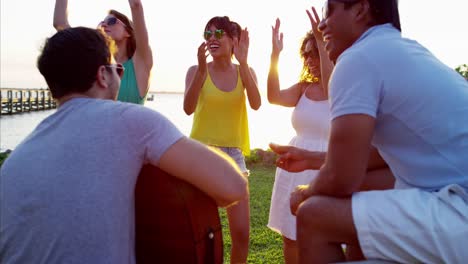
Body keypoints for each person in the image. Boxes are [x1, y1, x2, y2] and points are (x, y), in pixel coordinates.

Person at [0, 27, 248, 263]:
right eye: (118, 69)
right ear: (103, 75)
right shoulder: (131, 120)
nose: (121, 75)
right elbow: (233, 186)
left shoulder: (14, 161)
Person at [273, 0, 468, 263]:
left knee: (314, 214)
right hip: (452, 194)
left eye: (329, 11)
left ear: (360, 9)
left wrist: (305, 193)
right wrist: (311, 158)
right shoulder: (403, 50)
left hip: (459, 208)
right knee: (366, 193)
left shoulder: (357, 58)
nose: (321, 24)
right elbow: (379, 158)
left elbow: (342, 178)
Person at [183, 16, 261, 263]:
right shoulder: (196, 71)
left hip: (233, 155)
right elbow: (188, 108)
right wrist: (201, 71)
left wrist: (245, 62)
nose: (212, 39)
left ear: (234, 41)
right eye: (208, 34)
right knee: (202, 234)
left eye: (219, 33)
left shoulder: (244, 72)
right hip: (201, 153)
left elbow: (257, 104)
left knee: (241, 234)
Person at [266, 8, 333, 264]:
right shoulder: (303, 88)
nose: (310, 60)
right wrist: (275, 55)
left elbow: (330, 85)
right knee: (290, 238)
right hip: (293, 169)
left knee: (320, 235)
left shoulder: (337, 84)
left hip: (322, 165)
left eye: (315, 53)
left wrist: (319, 39)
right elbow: (273, 96)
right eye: (306, 55)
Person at [53, 0, 152, 104]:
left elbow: (136, 5)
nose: (104, 25)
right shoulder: (95, 64)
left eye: (111, 21)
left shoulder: (140, 64)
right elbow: (60, 24)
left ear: (128, 32)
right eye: (102, 23)